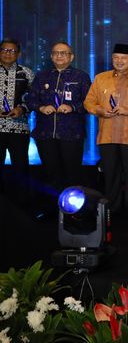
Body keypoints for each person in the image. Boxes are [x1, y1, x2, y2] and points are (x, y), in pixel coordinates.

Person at [84, 43, 128, 215]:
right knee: (111, 176)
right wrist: (100, 110)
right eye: (116, 57)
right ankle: (112, 211)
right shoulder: (101, 78)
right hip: (107, 136)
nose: (119, 61)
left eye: (123, 58)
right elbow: (88, 102)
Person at [27, 41, 91, 213]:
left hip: (71, 135)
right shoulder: (42, 77)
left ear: (71, 57)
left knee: (72, 175)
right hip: (45, 134)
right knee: (51, 175)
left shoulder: (81, 77)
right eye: (56, 53)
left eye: (63, 53)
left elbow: (90, 103)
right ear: (51, 56)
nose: (59, 56)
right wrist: (40, 107)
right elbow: (31, 99)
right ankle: (51, 211)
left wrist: (73, 107)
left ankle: (73, 212)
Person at [0, 39, 34, 207]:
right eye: (4, 50)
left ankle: (21, 206)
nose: (8, 53)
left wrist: (22, 109)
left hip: (18, 127)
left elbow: (34, 98)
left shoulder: (26, 73)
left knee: (20, 168)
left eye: (12, 51)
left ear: (18, 54)